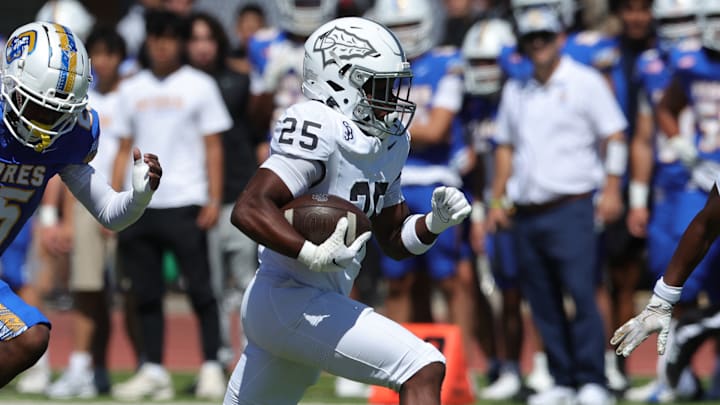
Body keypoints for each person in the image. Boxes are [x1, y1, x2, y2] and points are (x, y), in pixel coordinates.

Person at [223, 16, 472, 405]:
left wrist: (433, 223)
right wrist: (309, 251)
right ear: (341, 81)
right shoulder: (317, 121)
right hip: (289, 295)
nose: (391, 98)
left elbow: (392, 239)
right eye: (379, 85)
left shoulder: (388, 141)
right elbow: (251, 207)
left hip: (308, 303)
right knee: (422, 365)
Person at [0, 21, 162, 389]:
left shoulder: (70, 137)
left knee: (31, 336)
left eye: (56, 113)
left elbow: (109, 213)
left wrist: (139, 196)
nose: (45, 126)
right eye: (38, 108)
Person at [486, 6, 627, 405]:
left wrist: (613, 189)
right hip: (527, 210)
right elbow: (505, 148)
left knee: (582, 293)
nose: (538, 45)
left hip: (573, 206)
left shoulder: (585, 82)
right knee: (542, 298)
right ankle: (563, 378)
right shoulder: (517, 89)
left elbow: (614, 135)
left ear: (560, 38)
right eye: (531, 39)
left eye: (544, 37)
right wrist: (497, 199)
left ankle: (593, 379)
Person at [110, 10, 230, 401]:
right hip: (140, 206)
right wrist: (113, 202)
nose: (161, 44)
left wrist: (213, 198)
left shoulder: (200, 85)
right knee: (145, 293)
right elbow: (123, 146)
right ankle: (154, 370)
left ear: (180, 42)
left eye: (168, 37)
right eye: (154, 36)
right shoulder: (132, 88)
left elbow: (214, 146)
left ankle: (212, 366)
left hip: (187, 201)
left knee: (201, 290)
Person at [42, 26, 129, 399]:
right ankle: (80, 367)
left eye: (112, 53)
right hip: (85, 205)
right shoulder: (75, 100)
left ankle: (103, 369)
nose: (105, 61)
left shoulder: (131, 95)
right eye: (99, 54)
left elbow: (127, 151)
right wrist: (57, 215)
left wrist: (118, 206)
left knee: (123, 294)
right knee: (86, 289)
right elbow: (59, 162)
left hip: (123, 204)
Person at [186, 11, 260, 369]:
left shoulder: (238, 80)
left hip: (240, 194)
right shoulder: (180, 85)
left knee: (249, 280)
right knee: (211, 285)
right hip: (199, 199)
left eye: (208, 38)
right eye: (194, 39)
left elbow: (261, 124)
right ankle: (217, 357)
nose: (201, 47)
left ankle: (253, 352)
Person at [459, 18, 525, 401]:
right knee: (491, 288)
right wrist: (482, 211)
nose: (483, 72)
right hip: (486, 207)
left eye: (490, 62)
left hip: (523, 205)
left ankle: (529, 364)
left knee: (521, 291)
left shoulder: (521, 95)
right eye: (476, 63)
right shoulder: (473, 106)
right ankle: (500, 363)